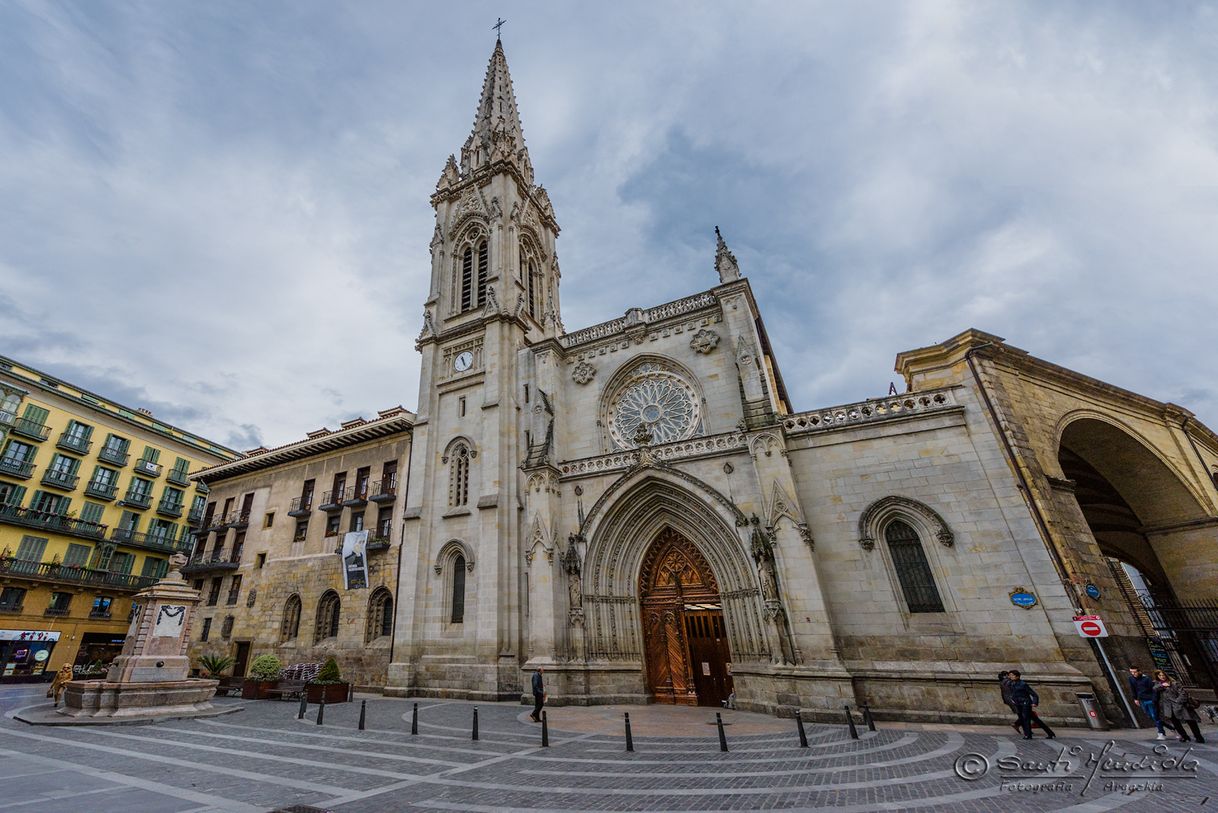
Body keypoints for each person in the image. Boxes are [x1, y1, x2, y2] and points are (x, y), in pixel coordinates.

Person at [1153, 670, 1206, 743]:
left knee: (1190, 721)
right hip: (1169, 707)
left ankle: (1198, 737)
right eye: (1160, 675)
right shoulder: (1159, 685)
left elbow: (1183, 694)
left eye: (1163, 675)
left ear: (1166, 675)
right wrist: (1162, 685)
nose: (1162, 677)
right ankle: (1184, 736)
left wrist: (1177, 702)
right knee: (1176, 723)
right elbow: (1154, 688)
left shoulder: (1175, 683)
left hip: (1181, 705)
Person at [1007, 669, 1055, 740]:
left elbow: (1034, 694)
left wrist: (1034, 702)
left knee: (1025, 719)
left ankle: (1028, 735)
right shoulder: (1011, 683)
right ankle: (1050, 733)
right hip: (1018, 704)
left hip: (1025, 703)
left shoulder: (1023, 684)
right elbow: (1012, 693)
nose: (1010, 676)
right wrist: (1012, 699)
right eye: (1010, 675)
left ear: (1017, 676)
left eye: (1012, 675)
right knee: (1036, 720)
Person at [1127, 667, 1167, 740]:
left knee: (1154, 716)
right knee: (1151, 716)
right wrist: (1135, 699)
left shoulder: (1147, 679)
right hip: (1141, 700)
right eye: (1131, 672)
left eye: (1135, 672)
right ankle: (1171, 728)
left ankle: (1161, 733)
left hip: (1150, 699)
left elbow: (1154, 689)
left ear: (1139, 671)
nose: (1133, 674)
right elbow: (1133, 689)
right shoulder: (1131, 679)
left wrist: (1154, 699)